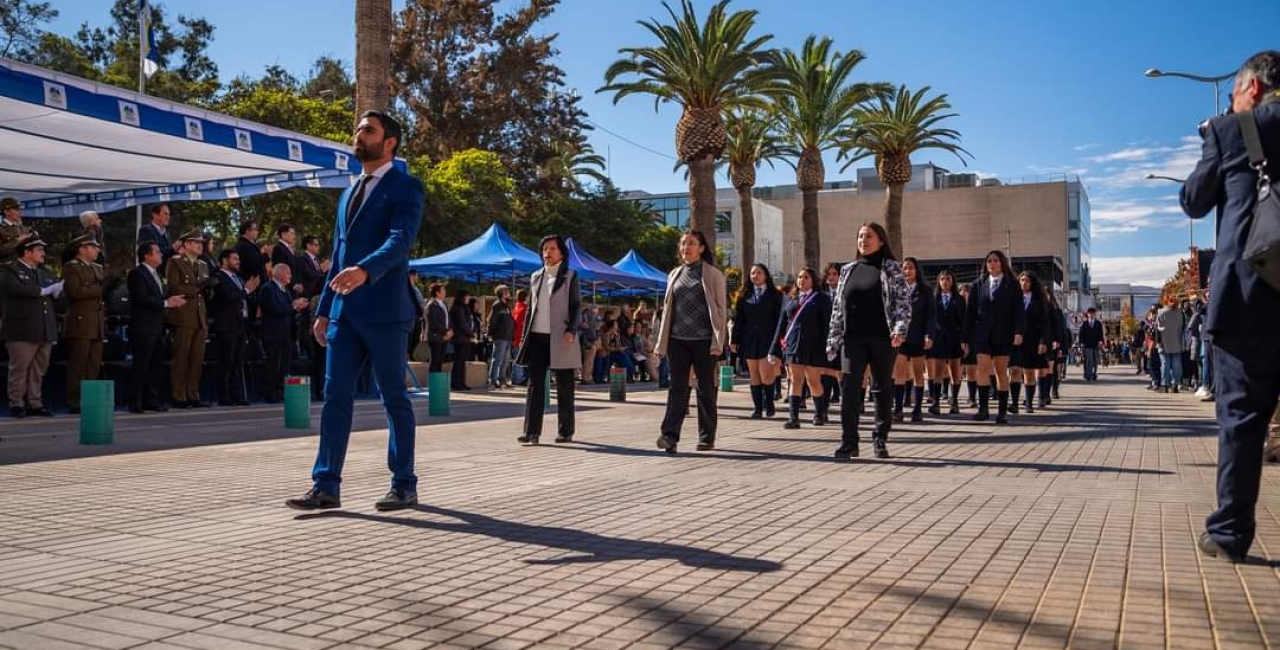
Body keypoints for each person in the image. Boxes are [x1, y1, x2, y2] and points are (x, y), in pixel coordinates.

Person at [287, 109, 425, 512]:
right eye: (359, 129)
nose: (359, 135)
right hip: (344, 315)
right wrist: (325, 308)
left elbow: (402, 241)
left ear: (390, 142)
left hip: (386, 311)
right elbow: (338, 252)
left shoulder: (406, 187)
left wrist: (366, 271)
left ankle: (404, 484)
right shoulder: (348, 193)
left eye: (368, 130)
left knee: (393, 397)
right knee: (335, 396)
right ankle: (326, 484)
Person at [1181, 50, 1280, 563]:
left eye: (1237, 90)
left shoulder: (1232, 130)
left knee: (1242, 419)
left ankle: (1230, 531)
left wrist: (1215, 135)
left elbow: (1194, 200)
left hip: (1250, 299)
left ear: (1254, 90)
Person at [826, 222, 911, 459]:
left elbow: (903, 303)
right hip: (852, 339)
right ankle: (849, 442)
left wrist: (899, 330)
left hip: (883, 339)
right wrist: (833, 336)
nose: (863, 240)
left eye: (869, 236)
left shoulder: (892, 268)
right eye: (860, 236)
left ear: (881, 240)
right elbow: (837, 307)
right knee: (849, 389)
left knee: (881, 387)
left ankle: (880, 437)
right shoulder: (848, 269)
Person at [654, 230, 727, 454]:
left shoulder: (713, 275)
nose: (686, 248)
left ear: (702, 248)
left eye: (692, 244)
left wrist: (719, 341)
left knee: (705, 388)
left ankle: (706, 437)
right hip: (677, 339)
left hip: (704, 340)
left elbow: (722, 310)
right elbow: (668, 311)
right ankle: (669, 436)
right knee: (677, 388)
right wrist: (660, 343)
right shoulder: (674, 274)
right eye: (683, 244)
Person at [515, 235, 581, 445]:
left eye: (552, 249)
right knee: (534, 385)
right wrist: (523, 336)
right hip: (536, 337)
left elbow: (576, 306)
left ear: (562, 252)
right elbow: (530, 311)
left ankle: (565, 431)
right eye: (544, 249)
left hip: (561, 337)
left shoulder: (570, 276)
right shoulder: (536, 276)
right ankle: (531, 432)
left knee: (564, 385)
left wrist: (571, 329)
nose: (547, 253)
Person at [1, 235, 60, 417]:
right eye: (39, 250)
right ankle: (16, 403)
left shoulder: (43, 272)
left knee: (38, 369)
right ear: (26, 252)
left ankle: (35, 402)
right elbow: (15, 289)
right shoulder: (10, 270)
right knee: (19, 369)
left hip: (43, 328)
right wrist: (41, 291)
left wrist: (56, 292)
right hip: (22, 328)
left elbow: (53, 290)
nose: (43, 253)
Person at [963, 250, 1024, 424]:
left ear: (1002, 263)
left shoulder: (1012, 285)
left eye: (996, 260)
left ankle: (1002, 411)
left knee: (1000, 371)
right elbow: (970, 313)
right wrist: (965, 338)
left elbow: (1019, 312)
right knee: (982, 368)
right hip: (981, 334)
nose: (992, 263)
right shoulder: (978, 284)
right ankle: (983, 409)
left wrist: (1019, 332)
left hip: (1003, 334)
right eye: (989, 261)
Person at [770, 267, 832, 429]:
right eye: (799, 277)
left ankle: (819, 413)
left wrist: (829, 346)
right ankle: (793, 417)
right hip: (793, 346)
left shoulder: (821, 299)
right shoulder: (791, 298)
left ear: (813, 280)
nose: (802, 280)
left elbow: (827, 325)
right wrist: (773, 349)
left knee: (813, 381)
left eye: (806, 277)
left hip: (814, 347)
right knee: (795, 380)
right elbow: (782, 324)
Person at [126, 243, 184, 413]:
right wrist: (166, 303)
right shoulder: (137, 274)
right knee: (141, 364)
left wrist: (171, 299)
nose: (160, 255)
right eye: (157, 252)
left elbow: (158, 296)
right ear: (146, 256)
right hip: (143, 326)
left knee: (155, 365)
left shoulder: (156, 274)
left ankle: (151, 399)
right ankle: (134, 401)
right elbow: (141, 298)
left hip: (157, 326)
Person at [62, 234, 108, 414]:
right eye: (93, 247)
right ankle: (73, 400)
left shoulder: (97, 268)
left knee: (94, 363)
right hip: (80, 322)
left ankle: (88, 399)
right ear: (82, 249)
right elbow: (75, 292)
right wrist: (101, 288)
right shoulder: (71, 267)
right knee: (78, 363)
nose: (97, 250)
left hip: (96, 322)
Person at [165, 231, 212, 409]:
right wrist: (198, 287)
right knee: (181, 357)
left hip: (200, 316)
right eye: (195, 242)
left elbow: (204, 293)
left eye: (201, 242)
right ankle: (178, 395)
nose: (200, 245)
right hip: (183, 315)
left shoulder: (203, 265)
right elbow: (174, 286)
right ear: (185, 244)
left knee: (196, 358)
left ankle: (192, 393)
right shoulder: (175, 262)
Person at [730, 263, 782, 419]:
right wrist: (734, 340)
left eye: (759, 273)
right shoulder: (744, 295)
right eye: (752, 273)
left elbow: (780, 319)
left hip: (769, 339)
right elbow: (738, 319)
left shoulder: (775, 295)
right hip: (750, 339)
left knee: (766, 375)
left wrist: (779, 340)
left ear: (765, 275)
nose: (755, 276)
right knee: (754, 375)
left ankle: (769, 403)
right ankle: (758, 408)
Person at [210, 249, 258, 406]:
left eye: (238, 258)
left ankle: (237, 394)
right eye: (234, 258)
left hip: (240, 324)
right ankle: (224, 395)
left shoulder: (238, 278)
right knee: (226, 361)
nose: (238, 261)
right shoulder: (219, 277)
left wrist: (249, 292)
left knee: (238, 361)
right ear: (224, 260)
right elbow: (227, 296)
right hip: (226, 324)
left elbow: (244, 297)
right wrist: (246, 290)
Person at [892, 257, 933, 423]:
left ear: (916, 270)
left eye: (910, 268)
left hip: (918, 337)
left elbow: (930, 315)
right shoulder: (897, 289)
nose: (907, 271)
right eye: (904, 268)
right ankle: (899, 409)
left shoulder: (925, 290)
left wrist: (929, 335)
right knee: (899, 373)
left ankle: (917, 410)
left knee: (917, 373)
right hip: (901, 338)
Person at [260, 263, 309, 403]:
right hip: (273, 333)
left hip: (287, 333)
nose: (291, 276)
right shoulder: (268, 289)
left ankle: (281, 391)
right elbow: (273, 309)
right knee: (273, 364)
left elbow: (288, 309)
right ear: (280, 273)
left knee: (285, 366)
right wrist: (293, 305)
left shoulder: (285, 290)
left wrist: (297, 306)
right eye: (288, 273)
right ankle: (270, 393)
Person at [927, 269, 965, 415]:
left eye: (948, 279)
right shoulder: (934, 298)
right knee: (938, 370)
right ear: (938, 281)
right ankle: (936, 401)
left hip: (955, 338)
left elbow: (964, 321)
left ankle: (954, 401)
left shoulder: (959, 299)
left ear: (953, 281)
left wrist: (964, 339)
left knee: (955, 370)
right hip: (938, 339)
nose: (945, 282)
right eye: (942, 279)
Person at [1012, 271, 1050, 413]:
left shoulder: (1039, 300)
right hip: (1015, 340)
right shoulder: (1013, 298)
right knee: (1014, 370)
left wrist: (1043, 342)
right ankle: (1014, 403)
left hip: (1032, 340)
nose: (1024, 283)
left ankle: (1029, 402)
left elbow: (1044, 323)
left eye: (1027, 280)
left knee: (1028, 372)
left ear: (1032, 283)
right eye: (1021, 280)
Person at [487, 284, 515, 389]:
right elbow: (492, 320)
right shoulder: (497, 305)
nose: (508, 293)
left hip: (507, 337)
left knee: (505, 360)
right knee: (497, 359)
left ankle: (502, 379)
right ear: (502, 293)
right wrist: (490, 334)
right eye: (506, 291)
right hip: (500, 336)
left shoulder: (507, 305)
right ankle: (493, 380)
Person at [1155, 297, 1186, 393]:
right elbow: (1183, 327)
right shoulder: (1181, 313)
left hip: (1164, 343)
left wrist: (1158, 341)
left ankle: (1165, 385)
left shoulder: (1161, 312)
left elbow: (1157, 329)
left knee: (1165, 364)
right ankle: (1175, 385)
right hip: (1177, 342)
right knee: (1177, 365)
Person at [449, 289, 476, 390]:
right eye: (467, 296)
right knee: (459, 361)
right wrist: (471, 334)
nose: (468, 298)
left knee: (462, 361)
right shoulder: (458, 308)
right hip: (460, 339)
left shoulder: (465, 308)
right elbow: (462, 323)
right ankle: (456, 382)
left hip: (465, 338)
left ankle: (461, 382)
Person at [425, 283, 451, 373]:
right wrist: (445, 332)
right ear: (437, 293)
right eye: (443, 290)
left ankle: (438, 383)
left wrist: (450, 331)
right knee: (435, 361)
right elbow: (433, 323)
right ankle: (433, 384)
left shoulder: (444, 304)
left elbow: (448, 319)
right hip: (435, 337)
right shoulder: (431, 305)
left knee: (440, 361)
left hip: (444, 337)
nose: (445, 292)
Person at [0, 196, 33, 266]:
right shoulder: (1, 229)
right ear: (6, 212)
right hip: (8, 268)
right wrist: (18, 240)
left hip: (26, 267)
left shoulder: (25, 229)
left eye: (20, 209)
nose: (20, 212)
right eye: (17, 210)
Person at [1078, 307, 1104, 381]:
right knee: (1089, 360)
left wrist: (1100, 341)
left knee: (1095, 360)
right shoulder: (1084, 323)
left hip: (1096, 345)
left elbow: (1100, 334)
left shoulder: (1098, 323)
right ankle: (1089, 375)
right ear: (1088, 314)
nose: (1091, 315)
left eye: (1093, 313)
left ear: (1095, 314)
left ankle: (1094, 374)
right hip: (1087, 345)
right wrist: (1081, 343)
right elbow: (1081, 334)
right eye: (1090, 313)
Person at [407, 270, 427, 357]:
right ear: (413, 275)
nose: (417, 278)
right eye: (416, 276)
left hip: (417, 317)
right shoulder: (406, 288)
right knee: (410, 338)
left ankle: (411, 354)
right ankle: (407, 355)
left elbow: (421, 302)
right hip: (410, 316)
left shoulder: (416, 288)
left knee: (415, 338)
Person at [511, 288, 529, 385]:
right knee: (519, 359)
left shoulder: (516, 307)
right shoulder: (524, 308)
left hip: (515, 337)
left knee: (516, 358)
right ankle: (518, 378)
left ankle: (517, 377)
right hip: (520, 337)